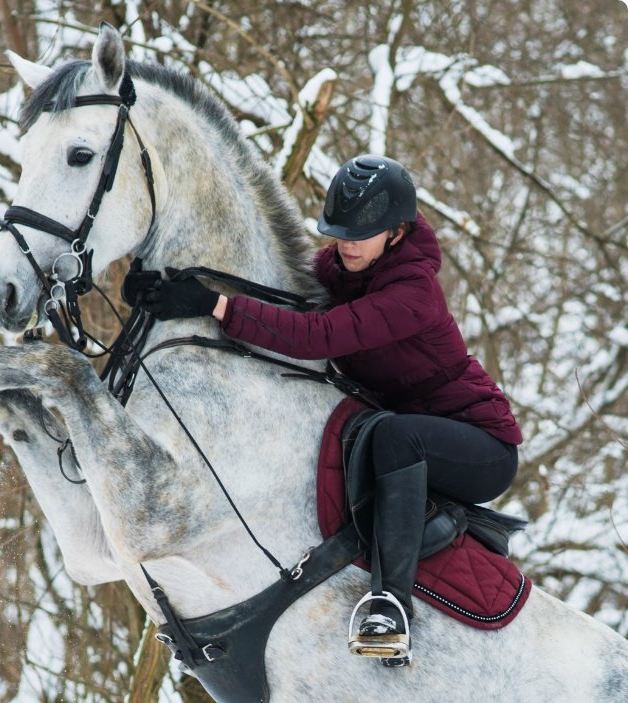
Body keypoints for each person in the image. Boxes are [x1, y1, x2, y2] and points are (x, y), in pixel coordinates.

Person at [130, 154, 522, 667]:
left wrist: (214, 306)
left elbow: (319, 334)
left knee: (394, 437)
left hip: (481, 447)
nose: (346, 244)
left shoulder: (414, 294)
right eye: (338, 232)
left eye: (362, 234)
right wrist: (165, 288)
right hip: (410, 431)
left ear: (398, 233)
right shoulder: (339, 267)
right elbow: (273, 295)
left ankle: (390, 606)